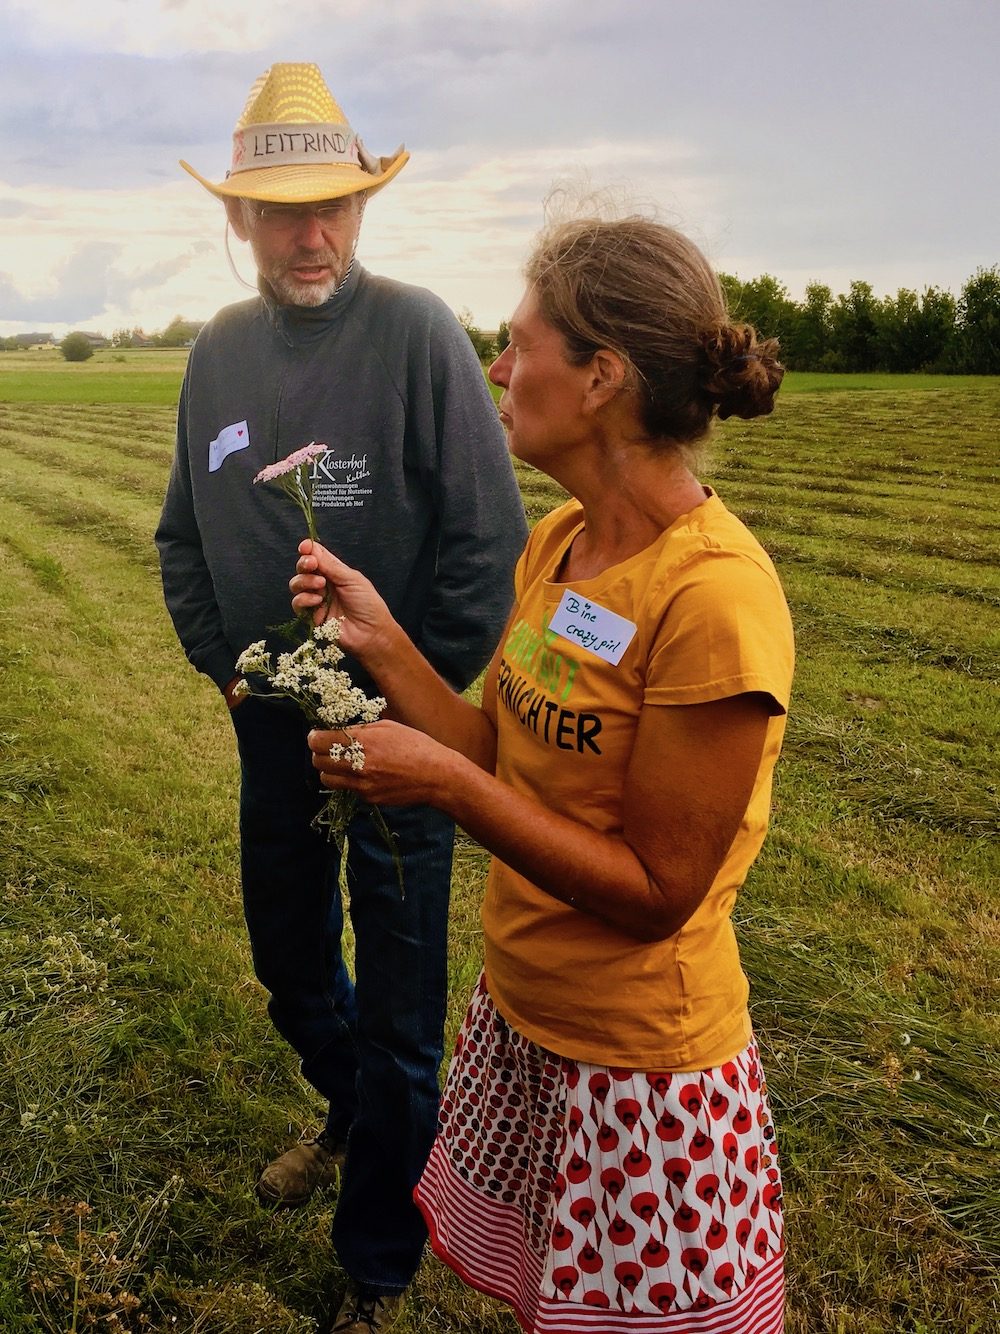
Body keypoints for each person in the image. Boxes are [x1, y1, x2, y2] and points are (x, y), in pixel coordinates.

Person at [289, 213, 794, 1333]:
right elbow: (501, 754)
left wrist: (445, 789)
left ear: (602, 375)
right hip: (528, 1017)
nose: (498, 370)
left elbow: (658, 891)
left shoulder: (711, 597)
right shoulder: (561, 542)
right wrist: (382, 641)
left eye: (519, 346)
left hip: (640, 1068)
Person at [154, 62, 527, 1334]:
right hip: (275, 730)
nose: (309, 233)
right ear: (239, 222)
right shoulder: (219, 352)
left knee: (407, 1000)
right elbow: (177, 539)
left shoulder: (418, 333)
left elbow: (489, 550)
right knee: (291, 961)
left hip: (406, 744)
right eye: (278, 209)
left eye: (332, 205)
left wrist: (416, 707)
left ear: (363, 211)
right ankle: (352, 1105)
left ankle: (374, 1258)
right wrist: (231, 666)